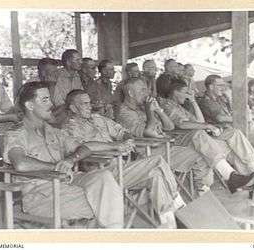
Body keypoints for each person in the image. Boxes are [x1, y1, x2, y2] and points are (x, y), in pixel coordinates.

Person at [3, 81, 124, 228]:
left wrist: (71, 160)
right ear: (30, 106)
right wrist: (56, 166)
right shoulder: (16, 133)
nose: (51, 105)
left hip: (67, 183)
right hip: (42, 194)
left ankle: (113, 233)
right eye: (45, 100)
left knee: (103, 176)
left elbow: (84, 148)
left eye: (50, 98)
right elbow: (20, 163)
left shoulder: (53, 131)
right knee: (109, 199)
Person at [62, 89, 186, 228]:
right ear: (73, 108)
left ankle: (169, 223)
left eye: (89, 103)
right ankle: (177, 202)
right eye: (85, 104)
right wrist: (115, 146)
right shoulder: (69, 128)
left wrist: (128, 140)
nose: (90, 106)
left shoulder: (98, 119)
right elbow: (82, 146)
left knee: (157, 175)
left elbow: (123, 132)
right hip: (103, 174)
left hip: (122, 167)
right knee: (156, 161)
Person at [158, 79, 254, 193]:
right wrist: (206, 126)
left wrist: (193, 101)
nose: (188, 95)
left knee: (233, 133)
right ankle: (234, 177)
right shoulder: (167, 106)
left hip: (201, 142)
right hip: (183, 142)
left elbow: (200, 121)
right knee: (200, 133)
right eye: (186, 92)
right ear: (175, 92)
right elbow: (181, 124)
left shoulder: (181, 107)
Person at [116, 77, 215, 195]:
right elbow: (149, 132)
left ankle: (203, 191)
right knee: (199, 153)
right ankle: (182, 200)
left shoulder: (141, 108)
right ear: (131, 93)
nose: (146, 93)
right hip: (147, 154)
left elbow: (169, 127)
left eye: (146, 90)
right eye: (142, 90)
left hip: (164, 148)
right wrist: (149, 110)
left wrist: (158, 111)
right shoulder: (124, 113)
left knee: (202, 154)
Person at [199, 75, 254, 164]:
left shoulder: (220, 99)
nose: (223, 88)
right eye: (220, 85)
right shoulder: (206, 101)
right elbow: (220, 118)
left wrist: (229, 98)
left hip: (235, 130)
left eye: (223, 85)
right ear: (211, 87)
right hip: (223, 133)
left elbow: (233, 112)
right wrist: (242, 118)